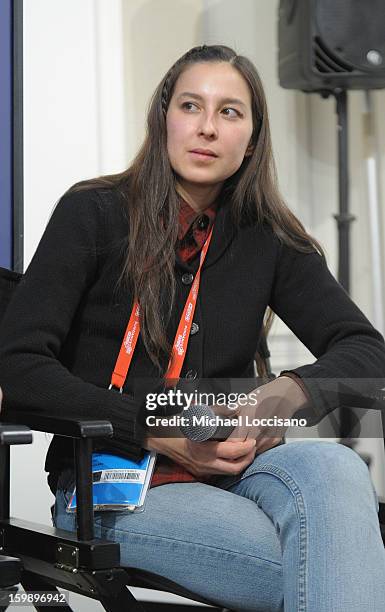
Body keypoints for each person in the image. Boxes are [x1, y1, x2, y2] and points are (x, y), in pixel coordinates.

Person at [0, 44, 385, 611]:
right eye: (190, 106)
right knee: (337, 559)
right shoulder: (94, 212)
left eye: (230, 112)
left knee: (335, 464)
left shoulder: (268, 238)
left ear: (251, 138)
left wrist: (285, 395)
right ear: (163, 119)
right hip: (115, 478)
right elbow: (19, 363)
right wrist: (155, 430)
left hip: (236, 468)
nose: (207, 128)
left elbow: (367, 351)